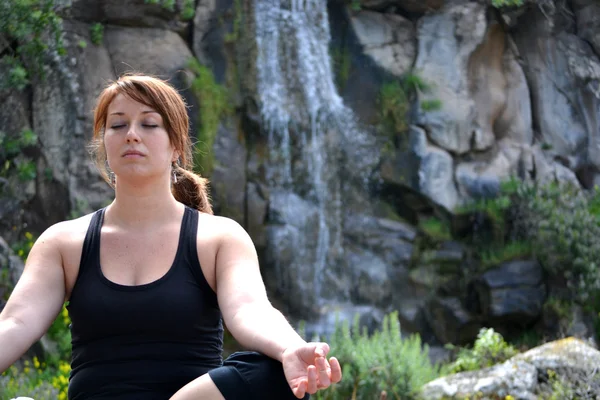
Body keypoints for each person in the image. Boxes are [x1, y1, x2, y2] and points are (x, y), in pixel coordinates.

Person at [0, 74, 342, 399]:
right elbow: (15, 322)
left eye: (149, 124)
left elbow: (251, 310)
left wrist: (288, 347)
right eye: (118, 125)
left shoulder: (219, 237)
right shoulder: (63, 243)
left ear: (176, 145)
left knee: (276, 372)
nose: (132, 134)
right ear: (104, 143)